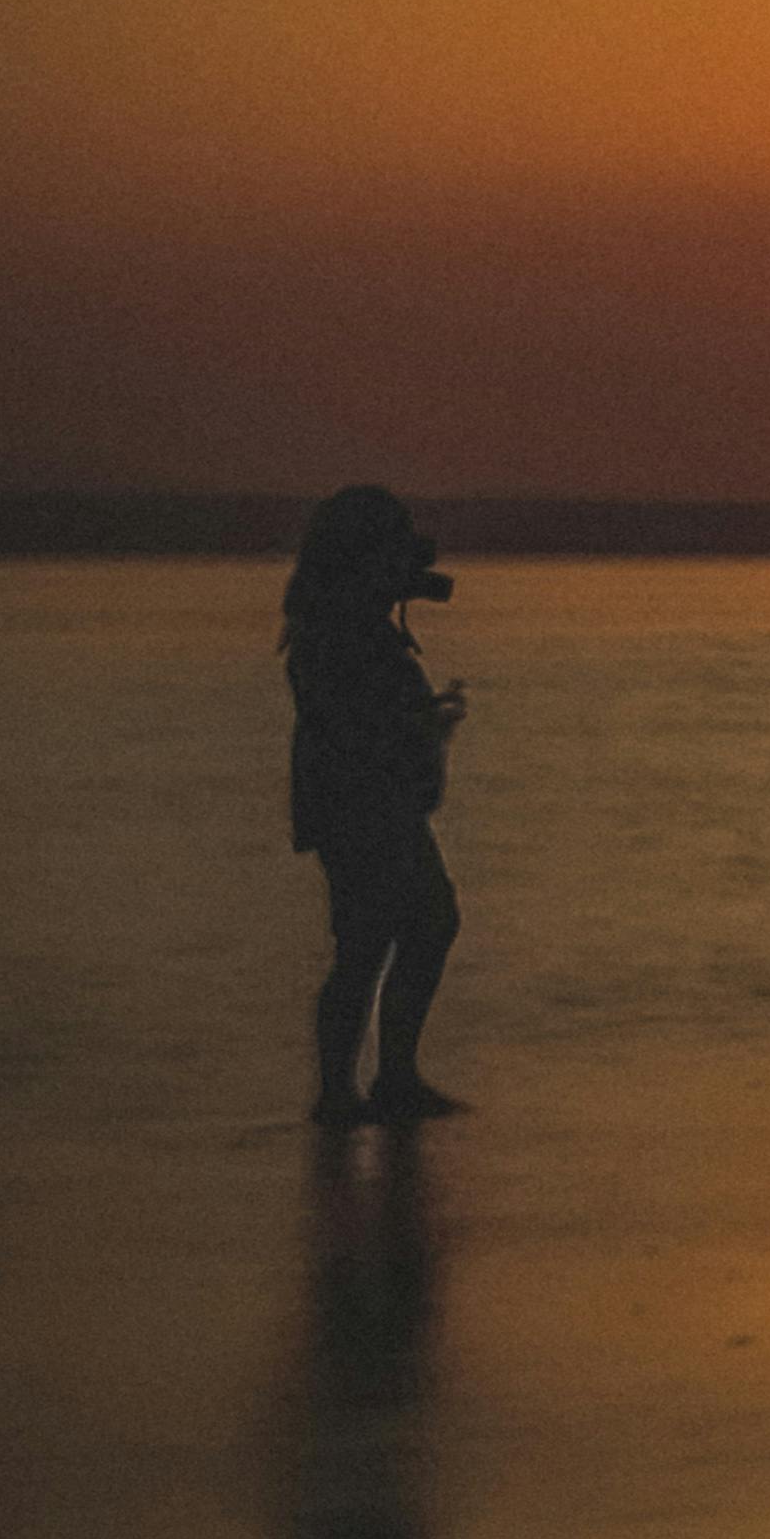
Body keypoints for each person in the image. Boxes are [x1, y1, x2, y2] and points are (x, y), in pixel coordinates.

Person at [282, 483, 468, 1127]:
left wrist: (424, 726)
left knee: (416, 927)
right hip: (361, 806)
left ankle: (382, 1080)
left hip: (365, 803)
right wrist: (426, 729)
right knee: (375, 941)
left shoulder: (338, 623)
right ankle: (350, 1089)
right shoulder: (338, 631)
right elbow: (353, 723)